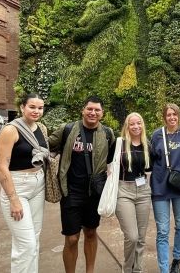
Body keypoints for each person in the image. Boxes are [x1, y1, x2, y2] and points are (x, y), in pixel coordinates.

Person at [48, 96, 116, 273]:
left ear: (102, 113)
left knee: (91, 233)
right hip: (71, 191)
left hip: (94, 192)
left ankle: (90, 271)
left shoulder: (107, 134)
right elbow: (46, 145)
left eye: (97, 110)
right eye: (90, 109)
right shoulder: (68, 129)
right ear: (83, 110)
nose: (93, 113)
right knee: (71, 238)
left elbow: (113, 159)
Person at [0, 93, 49, 272]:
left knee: (34, 239)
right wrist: (13, 199)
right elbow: (2, 166)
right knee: (25, 244)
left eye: (40, 108)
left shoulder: (41, 128)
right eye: (32, 107)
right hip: (17, 186)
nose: (36, 111)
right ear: (22, 107)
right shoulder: (11, 130)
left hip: (38, 183)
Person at [150, 104, 180, 273]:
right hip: (160, 185)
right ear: (164, 117)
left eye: (175, 114)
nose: (172, 117)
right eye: (168, 115)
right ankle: (164, 269)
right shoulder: (156, 135)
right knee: (162, 230)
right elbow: (151, 159)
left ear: (179, 116)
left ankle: (176, 259)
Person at [115, 112, 152, 273]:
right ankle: (127, 268)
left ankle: (138, 269)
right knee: (132, 236)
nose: (136, 126)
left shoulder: (147, 145)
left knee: (141, 238)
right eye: (132, 124)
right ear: (127, 126)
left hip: (143, 191)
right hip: (124, 191)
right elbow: (107, 163)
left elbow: (154, 168)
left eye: (139, 123)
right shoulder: (119, 144)